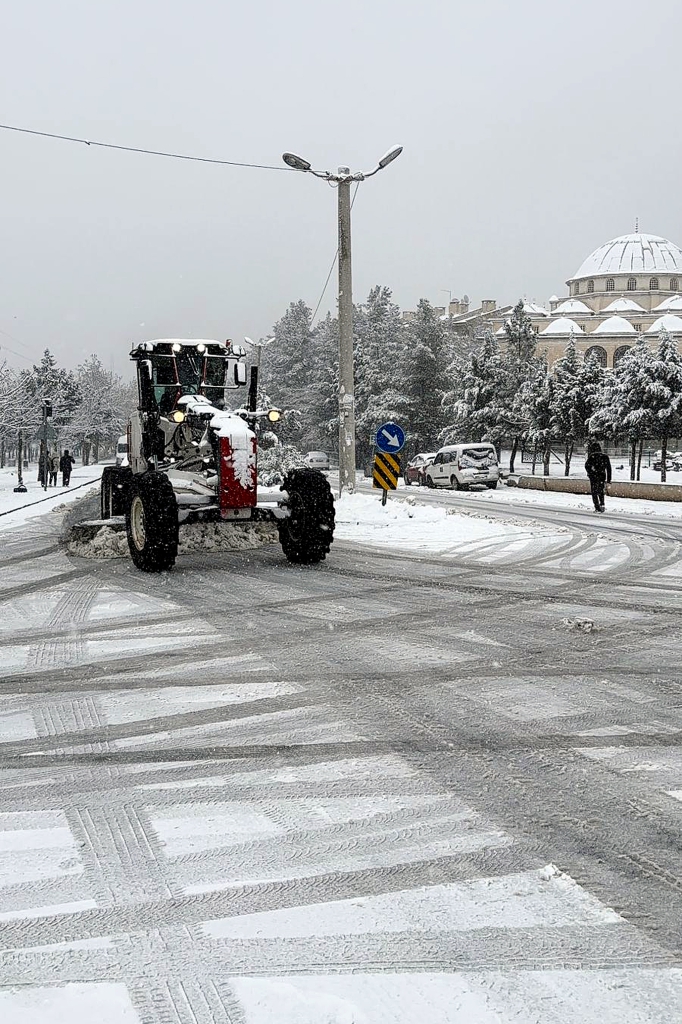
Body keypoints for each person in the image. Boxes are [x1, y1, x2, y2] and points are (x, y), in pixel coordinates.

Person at [585, 440, 611, 512]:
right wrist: (609, 479)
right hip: (602, 476)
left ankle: (597, 506)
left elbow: (587, 466)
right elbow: (609, 469)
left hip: (593, 476)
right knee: (601, 490)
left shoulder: (592, 457)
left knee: (594, 492)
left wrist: (590, 473)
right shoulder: (605, 457)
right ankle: (602, 504)